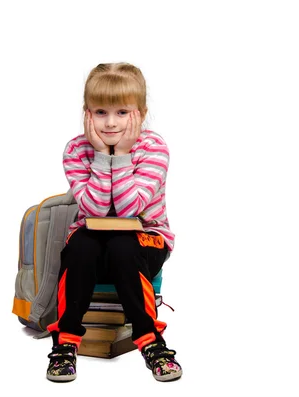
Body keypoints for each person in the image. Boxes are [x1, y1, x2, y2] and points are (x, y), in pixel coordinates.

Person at [45, 62, 182, 382]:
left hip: (147, 237)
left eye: (122, 112)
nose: (110, 122)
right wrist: (102, 155)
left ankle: (151, 341)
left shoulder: (153, 148)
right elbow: (92, 209)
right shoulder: (76, 150)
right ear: (87, 112)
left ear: (141, 112)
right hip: (92, 239)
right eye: (101, 112)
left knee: (122, 246)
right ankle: (65, 342)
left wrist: (118, 156)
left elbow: (129, 209)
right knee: (80, 245)